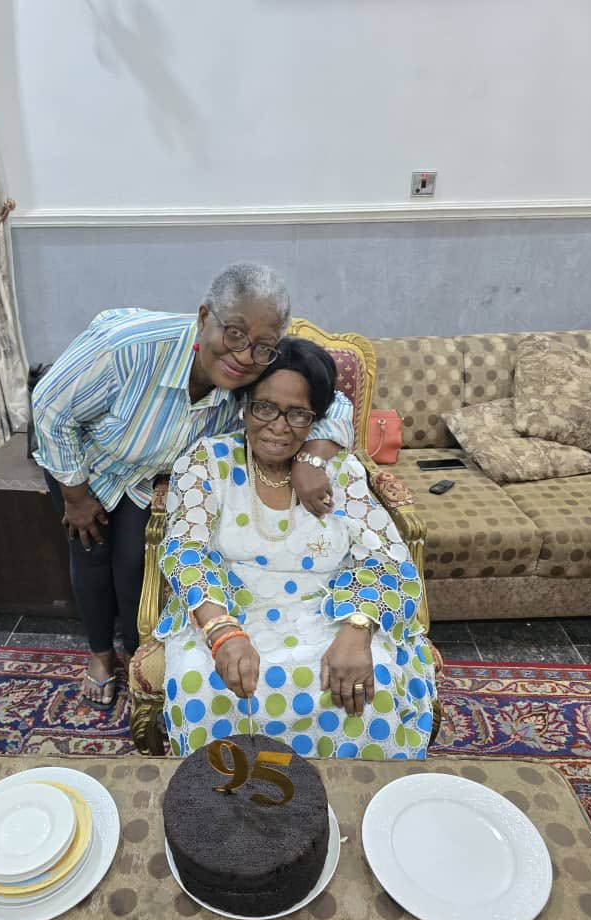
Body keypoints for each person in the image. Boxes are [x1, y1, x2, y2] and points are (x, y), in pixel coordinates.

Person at [32, 263, 354, 707]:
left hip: (145, 476)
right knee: (90, 555)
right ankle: (101, 656)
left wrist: (311, 457)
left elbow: (334, 401)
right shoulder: (128, 348)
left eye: (262, 345)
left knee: (135, 565)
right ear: (205, 317)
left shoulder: (260, 365)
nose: (244, 356)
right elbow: (50, 407)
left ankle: (138, 659)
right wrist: (76, 496)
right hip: (84, 464)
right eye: (234, 334)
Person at [156, 337, 437, 759]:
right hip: (228, 608)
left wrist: (357, 630)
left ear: (316, 419)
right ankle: (227, 796)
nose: (278, 426)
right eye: (264, 408)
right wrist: (221, 631)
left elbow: (386, 558)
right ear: (244, 405)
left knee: (371, 682)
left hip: (328, 612)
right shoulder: (207, 461)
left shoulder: (338, 471)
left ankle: (351, 794)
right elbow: (185, 551)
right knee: (202, 683)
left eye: (297, 414)